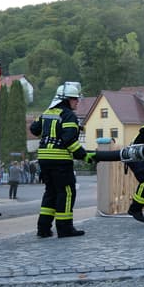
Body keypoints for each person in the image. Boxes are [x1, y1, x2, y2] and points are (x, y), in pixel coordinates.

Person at [29, 81, 95, 238]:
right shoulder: (69, 116)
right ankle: (65, 228)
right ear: (66, 100)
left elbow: (34, 129)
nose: (77, 102)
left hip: (44, 158)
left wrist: (49, 133)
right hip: (60, 160)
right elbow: (69, 141)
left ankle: (43, 229)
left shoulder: (47, 112)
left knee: (50, 192)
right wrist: (85, 155)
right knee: (66, 192)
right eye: (75, 99)